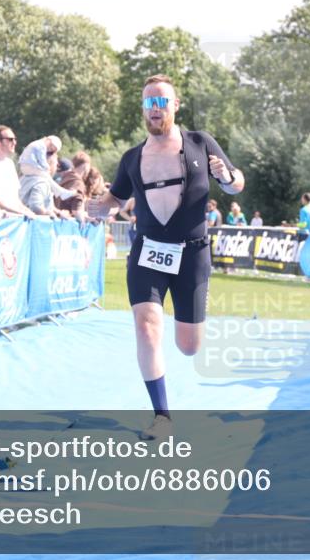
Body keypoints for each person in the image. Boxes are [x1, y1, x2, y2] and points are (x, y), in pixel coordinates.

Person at [88, 74, 244, 441]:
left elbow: (236, 183)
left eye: (162, 102)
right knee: (146, 326)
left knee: (189, 346)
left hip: (192, 255)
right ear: (143, 110)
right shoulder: (131, 158)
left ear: (175, 106)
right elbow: (112, 201)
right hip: (148, 252)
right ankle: (162, 416)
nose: (155, 110)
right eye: (149, 103)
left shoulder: (200, 143)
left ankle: (176, 374)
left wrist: (227, 176)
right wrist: (95, 208)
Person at [0, 125, 35, 218]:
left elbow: (15, 198)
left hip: (15, 217)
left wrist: (27, 211)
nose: (14, 142)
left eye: (15, 139)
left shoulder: (10, 163)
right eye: (10, 139)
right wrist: (20, 213)